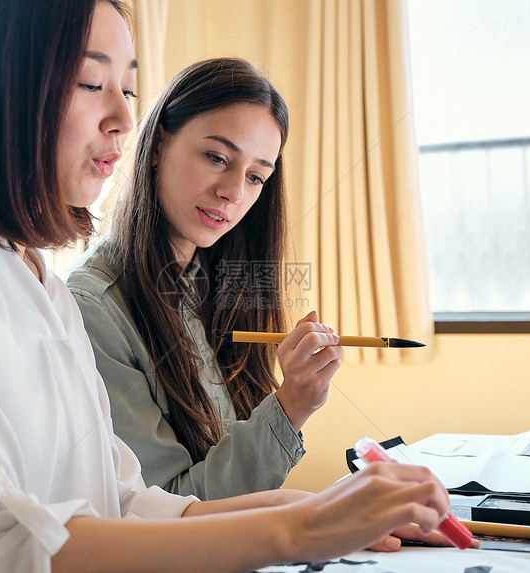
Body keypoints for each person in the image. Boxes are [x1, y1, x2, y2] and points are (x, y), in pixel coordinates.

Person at [0, 1, 463, 572]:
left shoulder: (34, 276)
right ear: (2, 82)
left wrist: (325, 507)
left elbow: (122, 500)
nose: (123, 115)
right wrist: (302, 527)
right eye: (92, 82)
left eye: (128, 86)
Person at [67, 57, 342, 500]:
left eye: (256, 177)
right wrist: (291, 407)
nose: (234, 192)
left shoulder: (211, 283)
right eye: (217, 157)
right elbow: (170, 506)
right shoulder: (93, 309)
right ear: (157, 145)